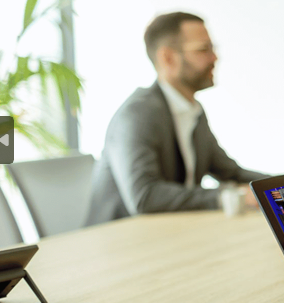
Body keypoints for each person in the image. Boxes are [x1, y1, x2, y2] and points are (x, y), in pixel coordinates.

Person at [86, 12, 267, 225]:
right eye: (203, 49)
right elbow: (145, 196)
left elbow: (231, 172)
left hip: (171, 232)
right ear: (168, 58)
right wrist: (225, 196)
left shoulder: (192, 111)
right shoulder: (137, 114)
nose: (214, 57)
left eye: (213, 48)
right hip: (121, 242)